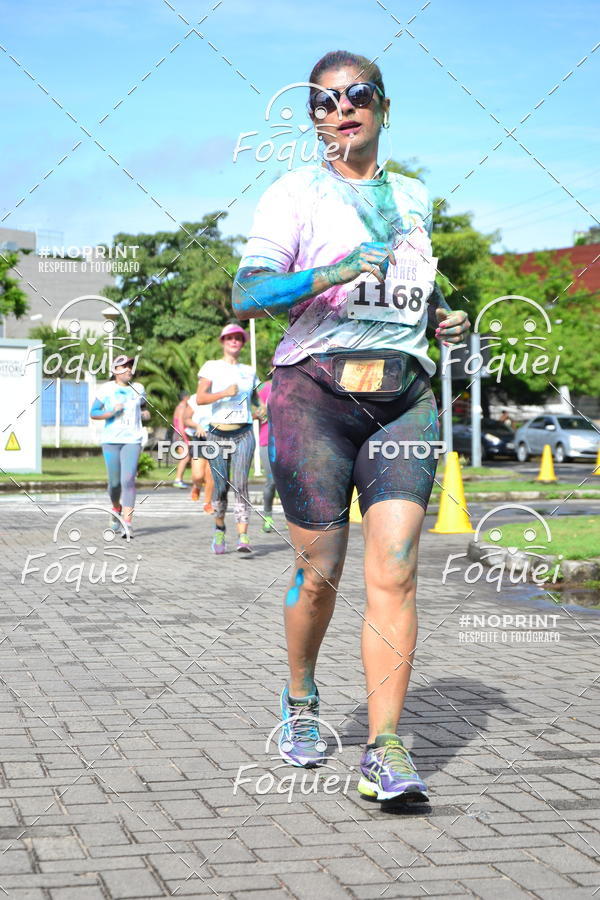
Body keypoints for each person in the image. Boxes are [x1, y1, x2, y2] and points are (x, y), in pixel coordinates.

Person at [232, 51, 470, 803]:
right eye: (326, 102)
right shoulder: (293, 194)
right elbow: (247, 293)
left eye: (358, 95)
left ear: (384, 107)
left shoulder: (415, 198)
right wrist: (330, 272)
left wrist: (439, 314)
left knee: (395, 572)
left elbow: (410, 280)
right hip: (314, 399)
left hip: (406, 396)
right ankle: (301, 697)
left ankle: (385, 750)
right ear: (313, 119)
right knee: (320, 574)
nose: (343, 109)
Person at [195, 323, 263, 554]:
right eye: (229, 338)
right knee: (221, 485)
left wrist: (260, 408)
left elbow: (254, 399)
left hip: (243, 433)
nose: (234, 341)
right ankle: (219, 528)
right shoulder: (211, 367)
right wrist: (224, 393)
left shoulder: (249, 371)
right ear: (222, 342)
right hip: (217, 435)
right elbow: (201, 398)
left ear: (243, 343)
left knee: (241, 483)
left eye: (238, 338)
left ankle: (243, 535)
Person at [90, 355, 150, 538]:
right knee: (114, 484)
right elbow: (93, 412)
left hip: (133, 440)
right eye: (124, 367)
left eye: (130, 366)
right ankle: (116, 508)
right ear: (115, 370)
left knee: (128, 480)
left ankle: (128, 523)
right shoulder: (106, 389)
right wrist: (110, 412)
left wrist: (145, 413)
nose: (129, 370)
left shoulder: (138, 388)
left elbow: (143, 408)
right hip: (110, 441)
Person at [183, 391, 214, 512]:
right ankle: (196, 485)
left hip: (216, 438)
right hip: (199, 437)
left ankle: (208, 503)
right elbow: (186, 419)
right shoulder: (196, 398)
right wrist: (197, 426)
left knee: (211, 474)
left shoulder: (222, 397)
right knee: (198, 475)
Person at [258, 378, 278, 532]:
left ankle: (292, 518)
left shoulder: (294, 386)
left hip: (289, 441)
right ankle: (268, 515)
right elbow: (250, 408)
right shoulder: (264, 388)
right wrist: (260, 411)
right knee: (271, 480)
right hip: (267, 440)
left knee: (290, 481)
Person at [172, 391, 190, 488]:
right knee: (185, 457)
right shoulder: (182, 407)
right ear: (185, 397)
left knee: (186, 457)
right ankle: (178, 480)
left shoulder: (179, 406)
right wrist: (185, 437)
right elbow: (180, 424)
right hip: (180, 435)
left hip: (179, 434)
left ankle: (180, 479)